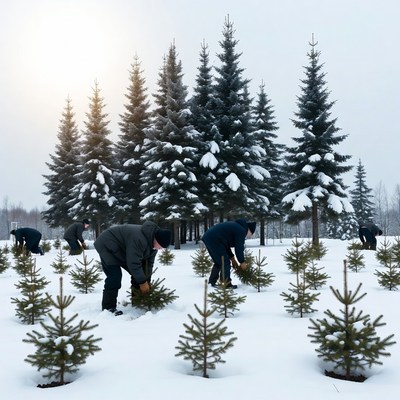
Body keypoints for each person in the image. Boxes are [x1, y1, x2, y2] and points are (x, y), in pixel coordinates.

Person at [94, 221, 172, 315]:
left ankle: (138, 302)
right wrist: (142, 282)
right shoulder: (139, 239)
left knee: (139, 276)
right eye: (161, 246)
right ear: (156, 240)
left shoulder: (153, 246)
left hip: (122, 250)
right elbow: (133, 263)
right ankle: (108, 307)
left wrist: (147, 281)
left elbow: (148, 264)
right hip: (107, 244)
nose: (161, 249)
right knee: (115, 276)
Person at [202, 218, 256, 289]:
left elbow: (225, 245)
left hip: (209, 237)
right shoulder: (241, 231)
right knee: (225, 262)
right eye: (251, 234)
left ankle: (212, 281)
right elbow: (239, 248)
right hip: (214, 239)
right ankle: (226, 284)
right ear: (249, 230)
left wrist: (232, 258)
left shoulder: (237, 227)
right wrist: (242, 262)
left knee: (219, 261)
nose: (250, 236)